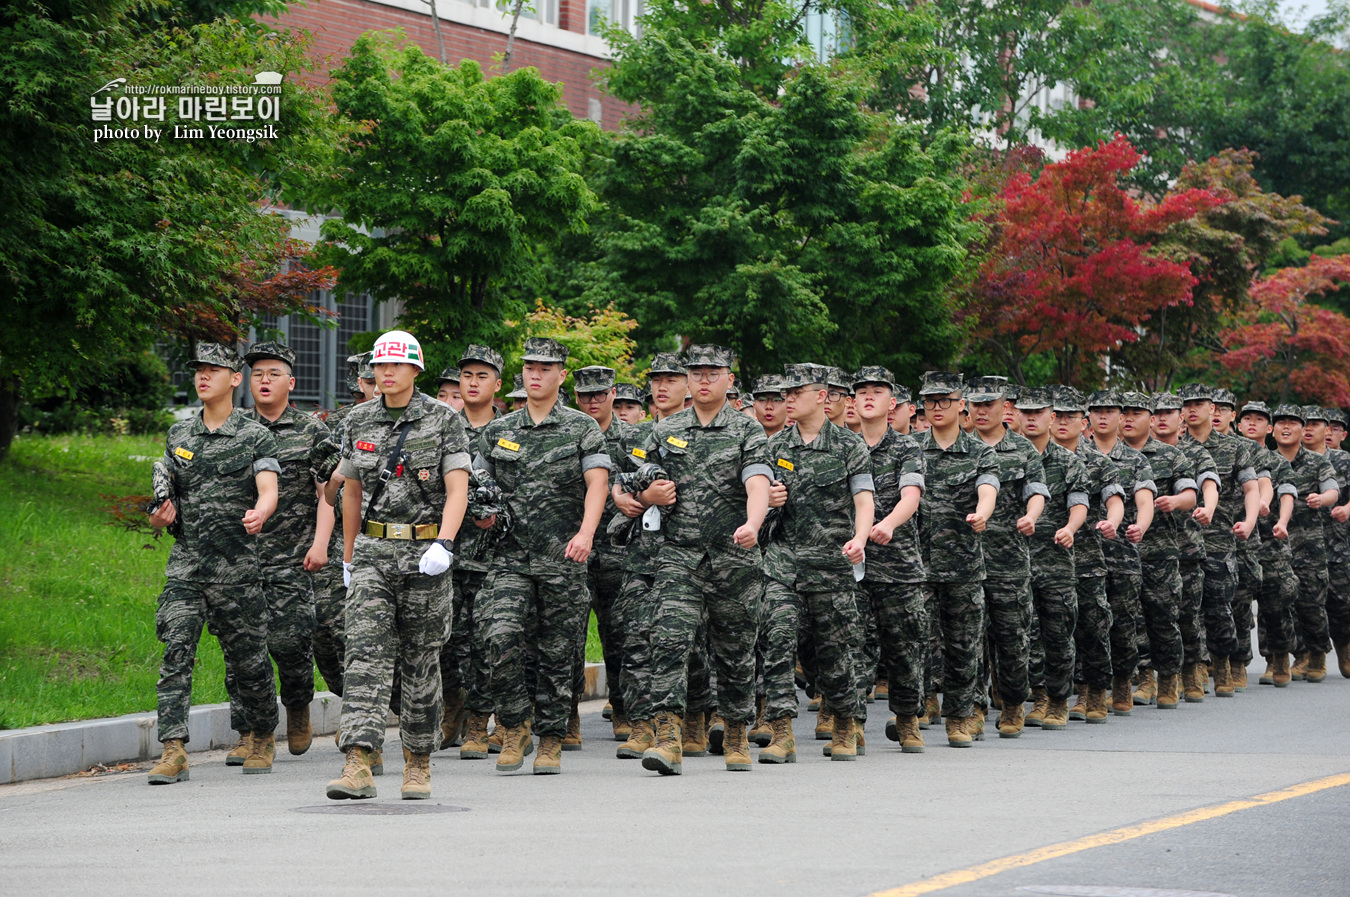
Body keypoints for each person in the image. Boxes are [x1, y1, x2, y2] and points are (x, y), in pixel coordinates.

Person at [326, 330, 471, 801]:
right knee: (363, 655)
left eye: (395, 365)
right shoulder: (358, 420)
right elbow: (350, 491)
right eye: (380, 366)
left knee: (421, 660)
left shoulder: (443, 419)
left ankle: (419, 763)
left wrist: (446, 543)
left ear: (414, 370)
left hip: (424, 556)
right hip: (372, 553)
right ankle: (358, 761)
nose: (385, 374)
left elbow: (458, 488)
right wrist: (348, 557)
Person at [145, 342, 281, 785]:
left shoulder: (254, 433)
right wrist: (157, 517)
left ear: (234, 379)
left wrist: (262, 511)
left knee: (249, 662)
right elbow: (161, 500)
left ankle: (262, 734)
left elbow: (268, 485)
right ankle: (173, 748)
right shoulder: (179, 435)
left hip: (236, 569)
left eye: (213, 370)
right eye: (199, 370)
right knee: (175, 651)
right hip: (186, 566)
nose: (203, 377)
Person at [474, 338, 611, 775]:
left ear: (561, 375)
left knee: (558, 651)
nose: (535, 374)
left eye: (545, 367)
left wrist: (587, 533)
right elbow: (477, 487)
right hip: (508, 557)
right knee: (499, 636)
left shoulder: (581, 427)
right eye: (530, 366)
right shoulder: (498, 431)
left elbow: (597, 483)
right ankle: (515, 724)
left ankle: (551, 738)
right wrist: (482, 517)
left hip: (563, 557)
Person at [636, 345, 773, 775]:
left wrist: (753, 523)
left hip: (735, 558)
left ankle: (735, 730)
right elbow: (638, 477)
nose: (704, 380)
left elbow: (758, 481)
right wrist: (646, 494)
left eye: (713, 373)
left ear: (730, 380)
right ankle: (668, 737)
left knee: (735, 650)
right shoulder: (665, 430)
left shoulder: (747, 431)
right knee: (670, 640)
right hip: (680, 557)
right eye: (696, 373)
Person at [228, 340, 339, 766]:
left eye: (274, 374)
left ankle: (297, 705)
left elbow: (328, 493)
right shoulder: (235, 429)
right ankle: (250, 730)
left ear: (290, 382)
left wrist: (319, 544)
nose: (264, 381)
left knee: (291, 641)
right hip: (242, 556)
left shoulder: (312, 430)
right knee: (241, 647)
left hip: (294, 556)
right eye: (257, 374)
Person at [759, 364, 874, 763]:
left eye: (795, 392)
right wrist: (767, 505)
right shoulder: (773, 447)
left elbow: (864, 500)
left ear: (822, 396)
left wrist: (859, 538)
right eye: (783, 393)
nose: (786, 400)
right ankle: (781, 731)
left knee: (836, 652)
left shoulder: (848, 446)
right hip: (782, 566)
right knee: (776, 640)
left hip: (831, 567)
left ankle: (845, 723)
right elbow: (757, 504)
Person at [916, 371, 999, 747]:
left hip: (963, 564)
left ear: (960, 404)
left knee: (963, 643)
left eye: (944, 400)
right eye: (930, 400)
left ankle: (962, 716)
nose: (936, 407)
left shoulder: (979, 451)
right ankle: (917, 709)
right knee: (918, 640)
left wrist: (983, 512)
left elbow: (988, 487)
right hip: (918, 564)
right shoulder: (911, 448)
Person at [967, 376, 1047, 737]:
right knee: (968, 639)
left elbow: (1036, 491)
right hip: (965, 558)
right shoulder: (961, 447)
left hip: (1009, 561)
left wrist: (1031, 516)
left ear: (1006, 408)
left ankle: (1013, 704)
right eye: (976, 404)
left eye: (989, 405)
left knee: (1012, 639)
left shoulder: (1023, 450)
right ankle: (973, 708)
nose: (981, 411)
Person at [852, 366, 927, 751]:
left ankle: (908, 719)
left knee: (904, 647)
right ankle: (851, 722)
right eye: (861, 391)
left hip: (898, 563)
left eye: (877, 391)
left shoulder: (907, 447)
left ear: (892, 402)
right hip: (853, 564)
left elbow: (911, 495)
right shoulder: (844, 447)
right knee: (853, 645)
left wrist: (889, 524)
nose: (868, 396)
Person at [572, 366, 644, 744]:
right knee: (567, 636)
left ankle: (623, 709)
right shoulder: (567, 436)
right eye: (585, 395)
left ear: (613, 393)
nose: (593, 401)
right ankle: (566, 718)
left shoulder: (635, 437)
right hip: (574, 549)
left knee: (620, 636)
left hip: (619, 552)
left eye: (600, 393)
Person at [1179, 384, 1262, 698]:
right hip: (1183, 537)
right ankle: (1196, 665)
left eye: (1199, 404)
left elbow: (1252, 489)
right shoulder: (1175, 447)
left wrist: (1250, 521)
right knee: (1189, 606)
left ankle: (1226, 660)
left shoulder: (1235, 448)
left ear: (1212, 409)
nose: (1192, 410)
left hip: (1221, 537)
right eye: (1186, 404)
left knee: (1219, 605)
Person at [446, 345, 506, 758]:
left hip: (495, 555)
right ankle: (455, 706)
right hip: (446, 554)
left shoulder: (511, 433)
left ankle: (484, 720)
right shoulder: (441, 428)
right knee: (448, 642)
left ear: (497, 385)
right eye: (466, 375)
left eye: (481, 376)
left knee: (491, 640)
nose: (472, 382)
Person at [1017, 387, 1089, 729]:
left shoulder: (1068, 461)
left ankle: (1060, 699)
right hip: (1014, 560)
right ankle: (1039, 695)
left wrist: (1071, 528)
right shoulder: (1008, 456)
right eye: (1025, 412)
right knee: (1025, 635)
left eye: (1039, 412)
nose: (1031, 418)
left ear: (1052, 417)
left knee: (1058, 634)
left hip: (1056, 560)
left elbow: (1079, 504)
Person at [1050, 387, 1123, 725]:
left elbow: (1114, 499)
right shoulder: (1037, 458)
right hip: (1047, 557)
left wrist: (1112, 522)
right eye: (1059, 416)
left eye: (1071, 417)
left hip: (1087, 558)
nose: (1064, 422)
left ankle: (1095, 692)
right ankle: (1062, 694)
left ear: (1084, 423)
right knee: (1056, 629)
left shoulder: (1098, 462)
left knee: (1093, 627)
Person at [1120, 392, 1193, 709]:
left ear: (1149, 419)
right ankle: (1144, 678)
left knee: (1162, 619)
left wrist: (1174, 501)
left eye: (1136, 413)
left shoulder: (1170, 455)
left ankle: (1168, 678)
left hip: (1159, 552)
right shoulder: (1108, 455)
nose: (1128, 418)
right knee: (1129, 620)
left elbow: (1191, 495)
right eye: (1124, 412)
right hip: (1119, 552)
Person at [1085, 389, 1155, 715]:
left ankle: (1123, 683)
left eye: (1109, 410)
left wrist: (1140, 526)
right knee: (1087, 623)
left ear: (1120, 416)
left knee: (1124, 624)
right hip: (1083, 554)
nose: (1102, 416)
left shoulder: (1136, 459)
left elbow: (1144, 500)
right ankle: (1089, 691)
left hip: (1122, 554)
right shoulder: (1076, 455)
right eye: (1096, 410)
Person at [310, 352, 375, 699]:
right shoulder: (338, 425)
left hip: (395, 540)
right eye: (370, 380)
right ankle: (350, 696)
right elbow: (326, 489)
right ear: (360, 383)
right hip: (340, 542)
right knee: (326, 625)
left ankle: (363, 709)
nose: (377, 387)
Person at [1237, 401, 1297, 687]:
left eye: (1258, 419)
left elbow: (1286, 493)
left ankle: (1279, 657)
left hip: (1271, 542)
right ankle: (1236, 661)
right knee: (1236, 603)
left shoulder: (1277, 462)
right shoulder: (1232, 454)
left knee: (1276, 603)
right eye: (1246, 418)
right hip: (1240, 542)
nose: (1251, 423)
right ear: (1238, 424)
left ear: (1269, 428)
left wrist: (1282, 521)